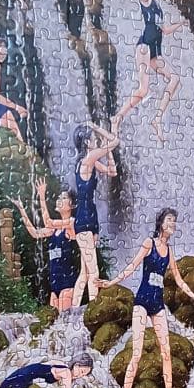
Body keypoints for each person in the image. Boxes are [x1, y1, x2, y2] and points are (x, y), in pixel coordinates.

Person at [99, 208, 194, 388]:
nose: (173, 223)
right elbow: (132, 266)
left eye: (174, 221)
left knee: (166, 353)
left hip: (158, 305)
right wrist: (111, 283)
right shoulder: (149, 243)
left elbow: (179, 281)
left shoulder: (169, 252)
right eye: (170, 219)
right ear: (161, 223)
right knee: (137, 353)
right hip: (142, 302)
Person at [111, 0, 182, 143]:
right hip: (144, 48)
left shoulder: (158, 8)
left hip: (155, 52)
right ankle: (117, 117)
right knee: (143, 90)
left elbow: (164, 30)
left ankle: (157, 119)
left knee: (175, 78)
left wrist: (180, 24)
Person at [71, 122, 118, 306]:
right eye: (93, 138)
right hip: (84, 221)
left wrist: (108, 151)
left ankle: (73, 308)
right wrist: (99, 129)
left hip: (90, 219)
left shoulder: (89, 161)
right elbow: (115, 141)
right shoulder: (88, 159)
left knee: (85, 272)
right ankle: (93, 308)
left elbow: (112, 171)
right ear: (86, 142)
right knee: (94, 272)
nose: (96, 140)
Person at [13, 179, 79, 312]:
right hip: (54, 282)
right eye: (59, 197)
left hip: (67, 282)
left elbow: (48, 222)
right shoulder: (54, 230)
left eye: (64, 198)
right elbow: (34, 233)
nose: (59, 200)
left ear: (72, 205)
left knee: (65, 318)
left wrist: (42, 196)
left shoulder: (72, 223)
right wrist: (21, 209)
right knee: (54, 320)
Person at [0, 38, 28, 143]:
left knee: (10, 121)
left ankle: (23, 146)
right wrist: (17, 107)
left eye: (4, 49)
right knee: (10, 119)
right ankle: (24, 147)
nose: (3, 53)